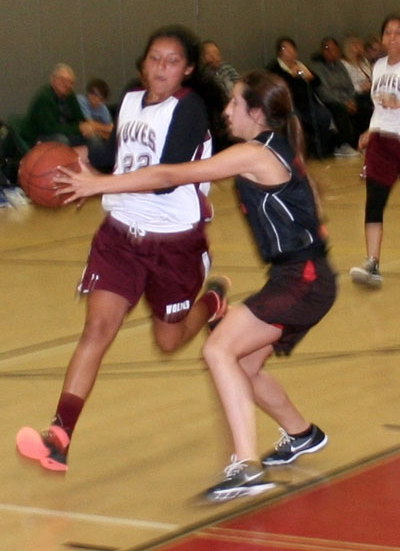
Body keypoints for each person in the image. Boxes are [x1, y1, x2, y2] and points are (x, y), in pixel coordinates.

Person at [54, 71, 337, 502]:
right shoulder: (267, 149)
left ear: (256, 113)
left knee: (218, 349)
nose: (226, 111)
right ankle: (302, 433)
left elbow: (169, 175)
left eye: (234, 104)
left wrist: (99, 185)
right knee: (242, 365)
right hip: (298, 277)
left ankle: (244, 467)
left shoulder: (254, 153)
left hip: (304, 279)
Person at [16, 24, 230, 472]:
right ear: (143, 62)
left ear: (187, 69)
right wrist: (76, 168)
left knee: (169, 340)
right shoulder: (131, 100)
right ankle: (59, 435)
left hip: (174, 243)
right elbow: (114, 156)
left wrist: (99, 183)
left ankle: (212, 301)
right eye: (154, 58)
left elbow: (163, 178)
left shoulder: (189, 110)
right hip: (120, 237)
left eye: (172, 62)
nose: (161, 68)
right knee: (97, 330)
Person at [350, 15, 400, 287]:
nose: (393, 37)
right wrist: (372, 130)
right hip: (382, 143)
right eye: (388, 33)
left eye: (398, 32)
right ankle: (372, 262)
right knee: (374, 203)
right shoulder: (378, 66)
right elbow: (378, 107)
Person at [267, 37, 335, 158]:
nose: (289, 52)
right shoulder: (275, 68)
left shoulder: (300, 65)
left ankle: (321, 150)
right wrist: (292, 76)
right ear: (280, 51)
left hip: (307, 104)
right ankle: (295, 154)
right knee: (295, 118)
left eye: (291, 49)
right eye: (285, 49)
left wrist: (310, 77)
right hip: (288, 105)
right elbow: (282, 85)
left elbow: (317, 82)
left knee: (324, 115)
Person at [20, 63, 93, 147]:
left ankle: (98, 160)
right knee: (61, 140)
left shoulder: (70, 95)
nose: (67, 85)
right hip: (40, 135)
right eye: (63, 80)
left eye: (71, 82)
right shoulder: (44, 97)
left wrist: (87, 127)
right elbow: (50, 129)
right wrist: (78, 128)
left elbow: (79, 118)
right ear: (52, 79)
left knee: (93, 137)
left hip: (64, 132)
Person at [311, 37, 362, 156]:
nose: (331, 52)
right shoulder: (317, 67)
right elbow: (324, 92)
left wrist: (351, 100)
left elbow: (350, 87)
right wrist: (344, 103)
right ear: (322, 51)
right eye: (327, 49)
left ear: (338, 51)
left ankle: (362, 142)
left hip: (346, 99)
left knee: (364, 104)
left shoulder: (341, 65)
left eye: (333, 49)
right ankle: (343, 145)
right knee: (340, 109)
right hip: (329, 101)